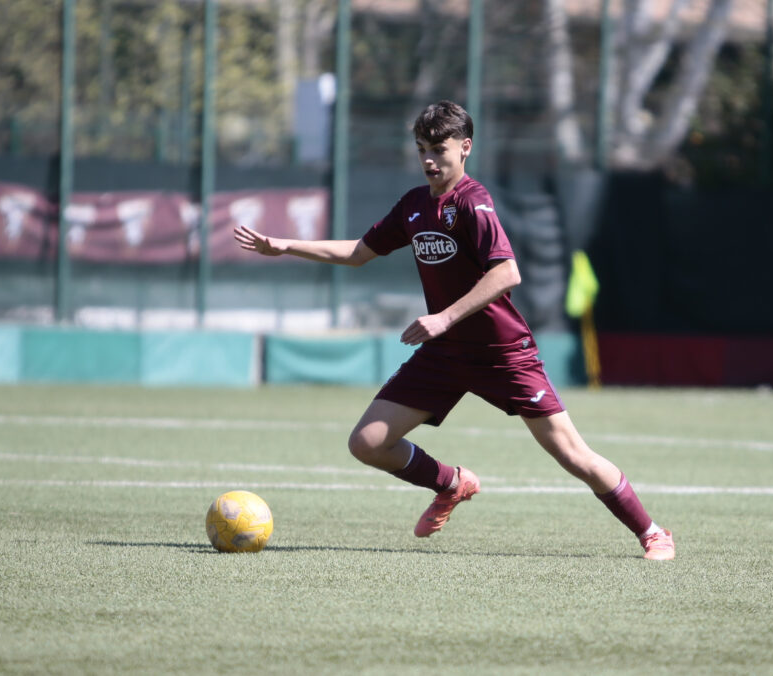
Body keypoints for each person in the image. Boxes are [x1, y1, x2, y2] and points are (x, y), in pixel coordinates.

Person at [233, 100, 675, 560]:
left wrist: (444, 317)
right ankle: (451, 483)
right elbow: (359, 253)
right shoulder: (414, 205)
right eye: (421, 149)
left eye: (439, 149)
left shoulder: (473, 201)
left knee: (572, 455)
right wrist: (286, 245)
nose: (428, 160)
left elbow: (507, 272)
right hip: (446, 354)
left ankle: (652, 533)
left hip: (502, 353)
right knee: (367, 443)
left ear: (465, 148)